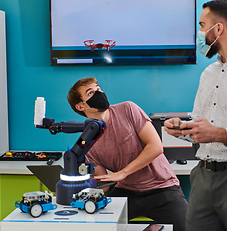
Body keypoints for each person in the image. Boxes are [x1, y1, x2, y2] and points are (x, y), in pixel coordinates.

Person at [164, 0, 227, 231]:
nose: (199, 33)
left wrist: (220, 135)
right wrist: (181, 130)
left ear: (218, 29)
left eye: (201, 25)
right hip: (202, 176)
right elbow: (201, 128)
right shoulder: (208, 73)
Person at [67, 77, 188, 231]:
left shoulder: (128, 109)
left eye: (98, 88)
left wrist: (122, 173)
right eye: (91, 92)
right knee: (94, 225)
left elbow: (156, 147)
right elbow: (103, 183)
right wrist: (79, 189)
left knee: (188, 226)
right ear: (80, 106)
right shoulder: (87, 141)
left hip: (162, 188)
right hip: (126, 192)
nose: (99, 93)